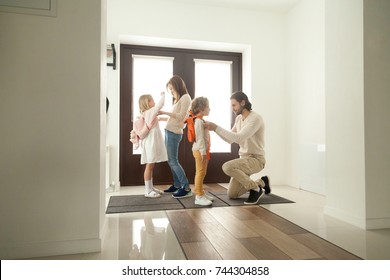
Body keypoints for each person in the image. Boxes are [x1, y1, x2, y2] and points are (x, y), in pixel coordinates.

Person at [205, 91, 270, 205]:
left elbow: (239, 138)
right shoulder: (239, 119)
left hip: (256, 160)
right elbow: (231, 139)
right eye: (231, 106)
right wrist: (215, 130)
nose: (232, 108)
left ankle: (255, 189)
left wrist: (216, 127)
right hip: (244, 160)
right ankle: (261, 183)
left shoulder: (255, 119)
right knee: (232, 194)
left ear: (243, 103)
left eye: (234, 105)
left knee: (227, 167)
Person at [159, 75, 192, 198]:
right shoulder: (179, 99)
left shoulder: (186, 98)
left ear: (178, 87)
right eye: (170, 90)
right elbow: (175, 118)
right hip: (169, 131)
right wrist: (161, 118)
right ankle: (177, 185)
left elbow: (180, 117)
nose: (171, 92)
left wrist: (163, 112)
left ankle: (186, 187)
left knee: (173, 161)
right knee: (171, 160)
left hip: (174, 133)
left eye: (172, 89)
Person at [138, 92, 167, 198]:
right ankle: (147, 190)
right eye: (152, 100)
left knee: (151, 164)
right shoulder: (149, 112)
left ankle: (150, 188)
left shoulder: (147, 113)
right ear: (147, 103)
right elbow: (160, 104)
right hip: (151, 141)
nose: (154, 102)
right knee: (149, 165)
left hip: (151, 140)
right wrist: (163, 95)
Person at [190, 97, 214, 206]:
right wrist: (203, 152)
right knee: (200, 173)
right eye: (208, 107)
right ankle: (198, 196)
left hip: (203, 151)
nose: (210, 109)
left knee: (202, 172)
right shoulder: (198, 121)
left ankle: (201, 193)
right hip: (200, 151)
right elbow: (199, 139)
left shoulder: (201, 121)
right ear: (201, 108)